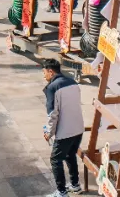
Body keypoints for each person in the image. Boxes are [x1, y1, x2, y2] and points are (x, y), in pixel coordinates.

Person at [42, 58, 84, 197]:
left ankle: (61, 191)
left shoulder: (52, 87)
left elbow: (53, 114)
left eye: (44, 72)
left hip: (65, 131)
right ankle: (75, 185)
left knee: (55, 159)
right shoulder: (73, 82)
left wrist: (49, 132)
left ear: (50, 71)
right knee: (70, 155)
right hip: (78, 128)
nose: (44, 76)